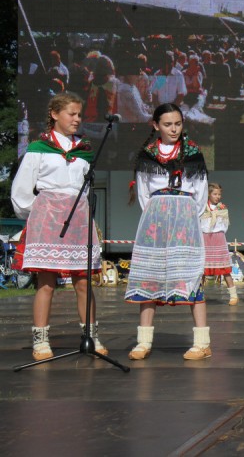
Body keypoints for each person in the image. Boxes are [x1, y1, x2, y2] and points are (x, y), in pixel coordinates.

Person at [11, 92, 106, 360]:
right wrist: (39, 213)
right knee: (46, 282)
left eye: (79, 114)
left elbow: (85, 190)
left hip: (77, 218)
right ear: (55, 114)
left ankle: (90, 335)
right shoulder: (39, 148)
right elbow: (21, 191)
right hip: (48, 218)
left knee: (83, 281)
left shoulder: (84, 151)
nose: (77, 119)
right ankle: (40, 340)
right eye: (72, 114)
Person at [124, 103, 211, 360]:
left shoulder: (193, 152)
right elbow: (143, 194)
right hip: (156, 218)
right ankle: (143, 341)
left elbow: (201, 192)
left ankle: (202, 343)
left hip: (185, 218)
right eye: (168, 124)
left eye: (178, 124)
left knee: (191, 276)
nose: (174, 129)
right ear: (156, 125)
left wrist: (184, 218)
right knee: (149, 277)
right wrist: (158, 214)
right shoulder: (147, 154)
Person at [200, 183, 238, 306]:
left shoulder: (222, 208)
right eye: (215, 194)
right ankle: (199, 294)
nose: (218, 196)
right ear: (208, 194)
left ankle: (233, 295)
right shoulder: (202, 208)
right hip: (205, 238)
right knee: (201, 269)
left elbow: (225, 225)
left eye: (219, 194)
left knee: (224, 268)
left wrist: (218, 233)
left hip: (218, 238)